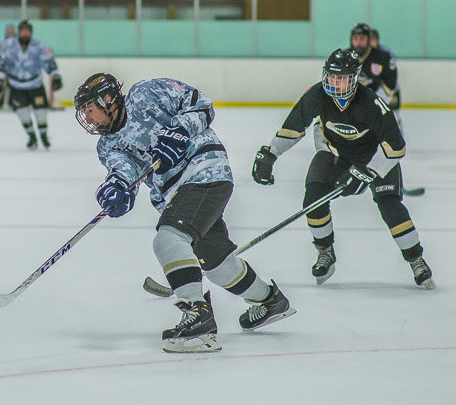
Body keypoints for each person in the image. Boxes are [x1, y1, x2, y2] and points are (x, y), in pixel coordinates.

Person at [73, 73, 297, 354]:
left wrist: (178, 130)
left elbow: (202, 105)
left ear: (107, 100)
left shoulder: (147, 92)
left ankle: (197, 314)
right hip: (177, 194)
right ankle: (270, 300)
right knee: (216, 264)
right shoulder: (107, 146)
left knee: (167, 240)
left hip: (205, 170)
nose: (89, 120)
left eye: (90, 111)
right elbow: (124, 170)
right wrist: (117, 188)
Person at [251, 48, 434, 289]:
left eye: (342, 78)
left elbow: (396, 147)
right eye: (332, 77)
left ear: (355, 78)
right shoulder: (317, 94)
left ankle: (416, 260)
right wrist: (270, 153)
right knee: (313, 199)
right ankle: (325, 251)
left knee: (390, 205)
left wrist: (369, 172)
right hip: (336, 154)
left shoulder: (371, 103)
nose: (335, 84)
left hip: (376, 157)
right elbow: (294, 127)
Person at [0, 20, 62, 150]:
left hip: (35, 86)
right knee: (22, 113)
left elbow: (49, 62)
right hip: (16, 86)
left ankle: (43, 135)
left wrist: (55, 76)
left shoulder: (39, 46)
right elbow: (3, 64)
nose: (25, 33)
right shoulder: (10, 46)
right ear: (19, 32)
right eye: (23, 31)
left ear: (31, 33)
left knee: (41, 112)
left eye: (27, 31)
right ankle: (31, 136)